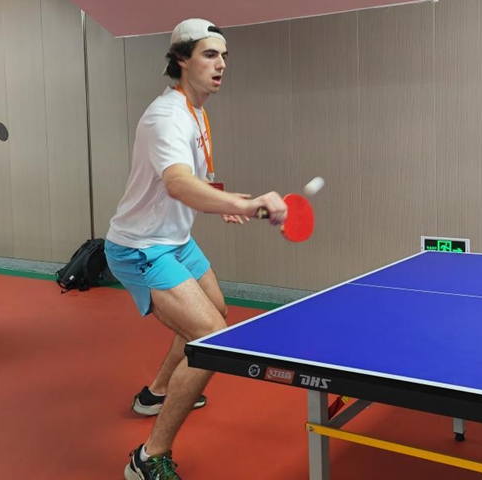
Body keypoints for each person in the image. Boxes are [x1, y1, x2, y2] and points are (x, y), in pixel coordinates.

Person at [103, 18, 287, 480]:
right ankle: (149, 458)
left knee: (216, 311)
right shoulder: (167, 117)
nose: (221, 64)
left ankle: (156, 394)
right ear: (182, 59)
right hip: (142, 248)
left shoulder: (195, 110)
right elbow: (178, 183)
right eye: (209, 54)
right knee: (210, 339)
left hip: (176, 239)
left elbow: (194, 180)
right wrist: (244, 204)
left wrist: (222, 201)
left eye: (224, 55)